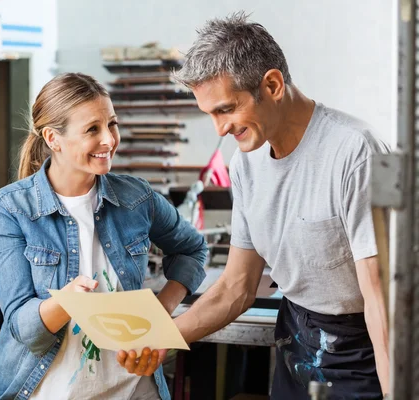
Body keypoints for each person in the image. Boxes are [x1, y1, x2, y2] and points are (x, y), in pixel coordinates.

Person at [118, 12, 390, 399]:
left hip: (362, 352)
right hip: (297, 346)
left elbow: (382, 300)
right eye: (209, 114)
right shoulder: (246, 164)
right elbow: (236, 287)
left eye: (226, 109)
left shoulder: (354, 152)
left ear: (273, 85)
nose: (220, 128)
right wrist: (164, 340)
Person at [0, 72, 207, 400]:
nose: (109, 140)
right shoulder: (10, 209)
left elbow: (193, 249)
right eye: (92, 130)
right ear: (53, 138)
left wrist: (161, 310)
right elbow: (25, 330)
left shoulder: (136, 197)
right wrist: (67, 302)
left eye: (112, 124)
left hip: (134, 390)